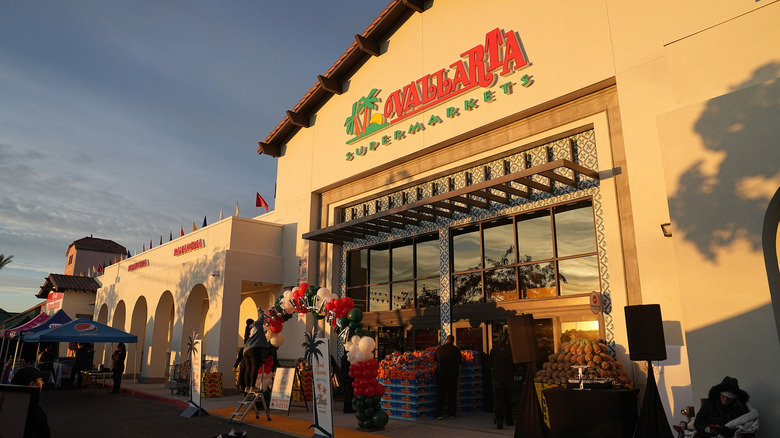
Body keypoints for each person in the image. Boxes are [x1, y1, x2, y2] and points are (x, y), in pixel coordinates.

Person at [693, 376, 759, 437]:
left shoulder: (741, 407)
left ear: (734, 398)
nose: (725, 399)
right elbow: (698, 421)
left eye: (729, 398)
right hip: (707, 434)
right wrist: (707, 429)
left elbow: (745, 426)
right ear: (719, 394)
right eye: (723, 396)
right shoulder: (709, 403)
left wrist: (730, 432)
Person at [10, 366, 51, 438]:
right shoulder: (34, 410)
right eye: (40, 380)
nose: (43, 383)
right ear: (32, 384)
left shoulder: (6, 403)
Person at [489, 333, 515, 429]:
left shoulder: (494, 350)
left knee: (498, 400)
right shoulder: (510, 350)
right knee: (508, 400)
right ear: (507, 340)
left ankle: (499, 421)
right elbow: (515, 363)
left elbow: (490, 364)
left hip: (497, 378)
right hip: (508, 377)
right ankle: (509, 420)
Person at [433, 334, 462, 420]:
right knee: (452, 394)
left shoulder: (439, 349)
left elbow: (435, 359)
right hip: (453, 374)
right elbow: (460, 361)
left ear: (446, 340)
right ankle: (452, 413)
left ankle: (439, 414)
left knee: (441, 394)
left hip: (441, 374)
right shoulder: (456, 350)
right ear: (453, 341)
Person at [242, 309, 269, 392]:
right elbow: (261, 318)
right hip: (254, 349)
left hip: (246, 350)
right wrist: (260, 310)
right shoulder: (257, 324)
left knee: (248, 368)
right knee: (255, 367)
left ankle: (247, 386)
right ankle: (253, 386)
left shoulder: (248, 329)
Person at [232, 318, 254, 391]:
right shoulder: (253, 328)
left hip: (244, 368)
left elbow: (238, 359)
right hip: (247, 368)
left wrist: (235, 366)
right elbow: (239, 359)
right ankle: (246, 395)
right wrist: (235, 366)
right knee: (247, 383)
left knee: (244, 383)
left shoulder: (243, 349)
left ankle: (246, 395)